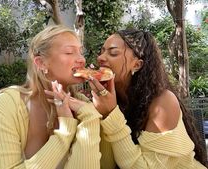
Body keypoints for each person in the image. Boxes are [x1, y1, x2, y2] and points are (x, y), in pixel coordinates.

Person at [87, 28, 208, 168]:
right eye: (101, 51)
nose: (100, 58)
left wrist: (111, 113)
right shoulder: (111, 99)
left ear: (137, 65)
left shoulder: (162, 102)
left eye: (113, 53)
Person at [0, 25, 102, 169]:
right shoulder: (7, 104)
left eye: (80, 52)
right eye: (69, 52)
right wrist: (65, 132)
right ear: (41, 63)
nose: (82, 59)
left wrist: (93, 115)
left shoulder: (83, 106)